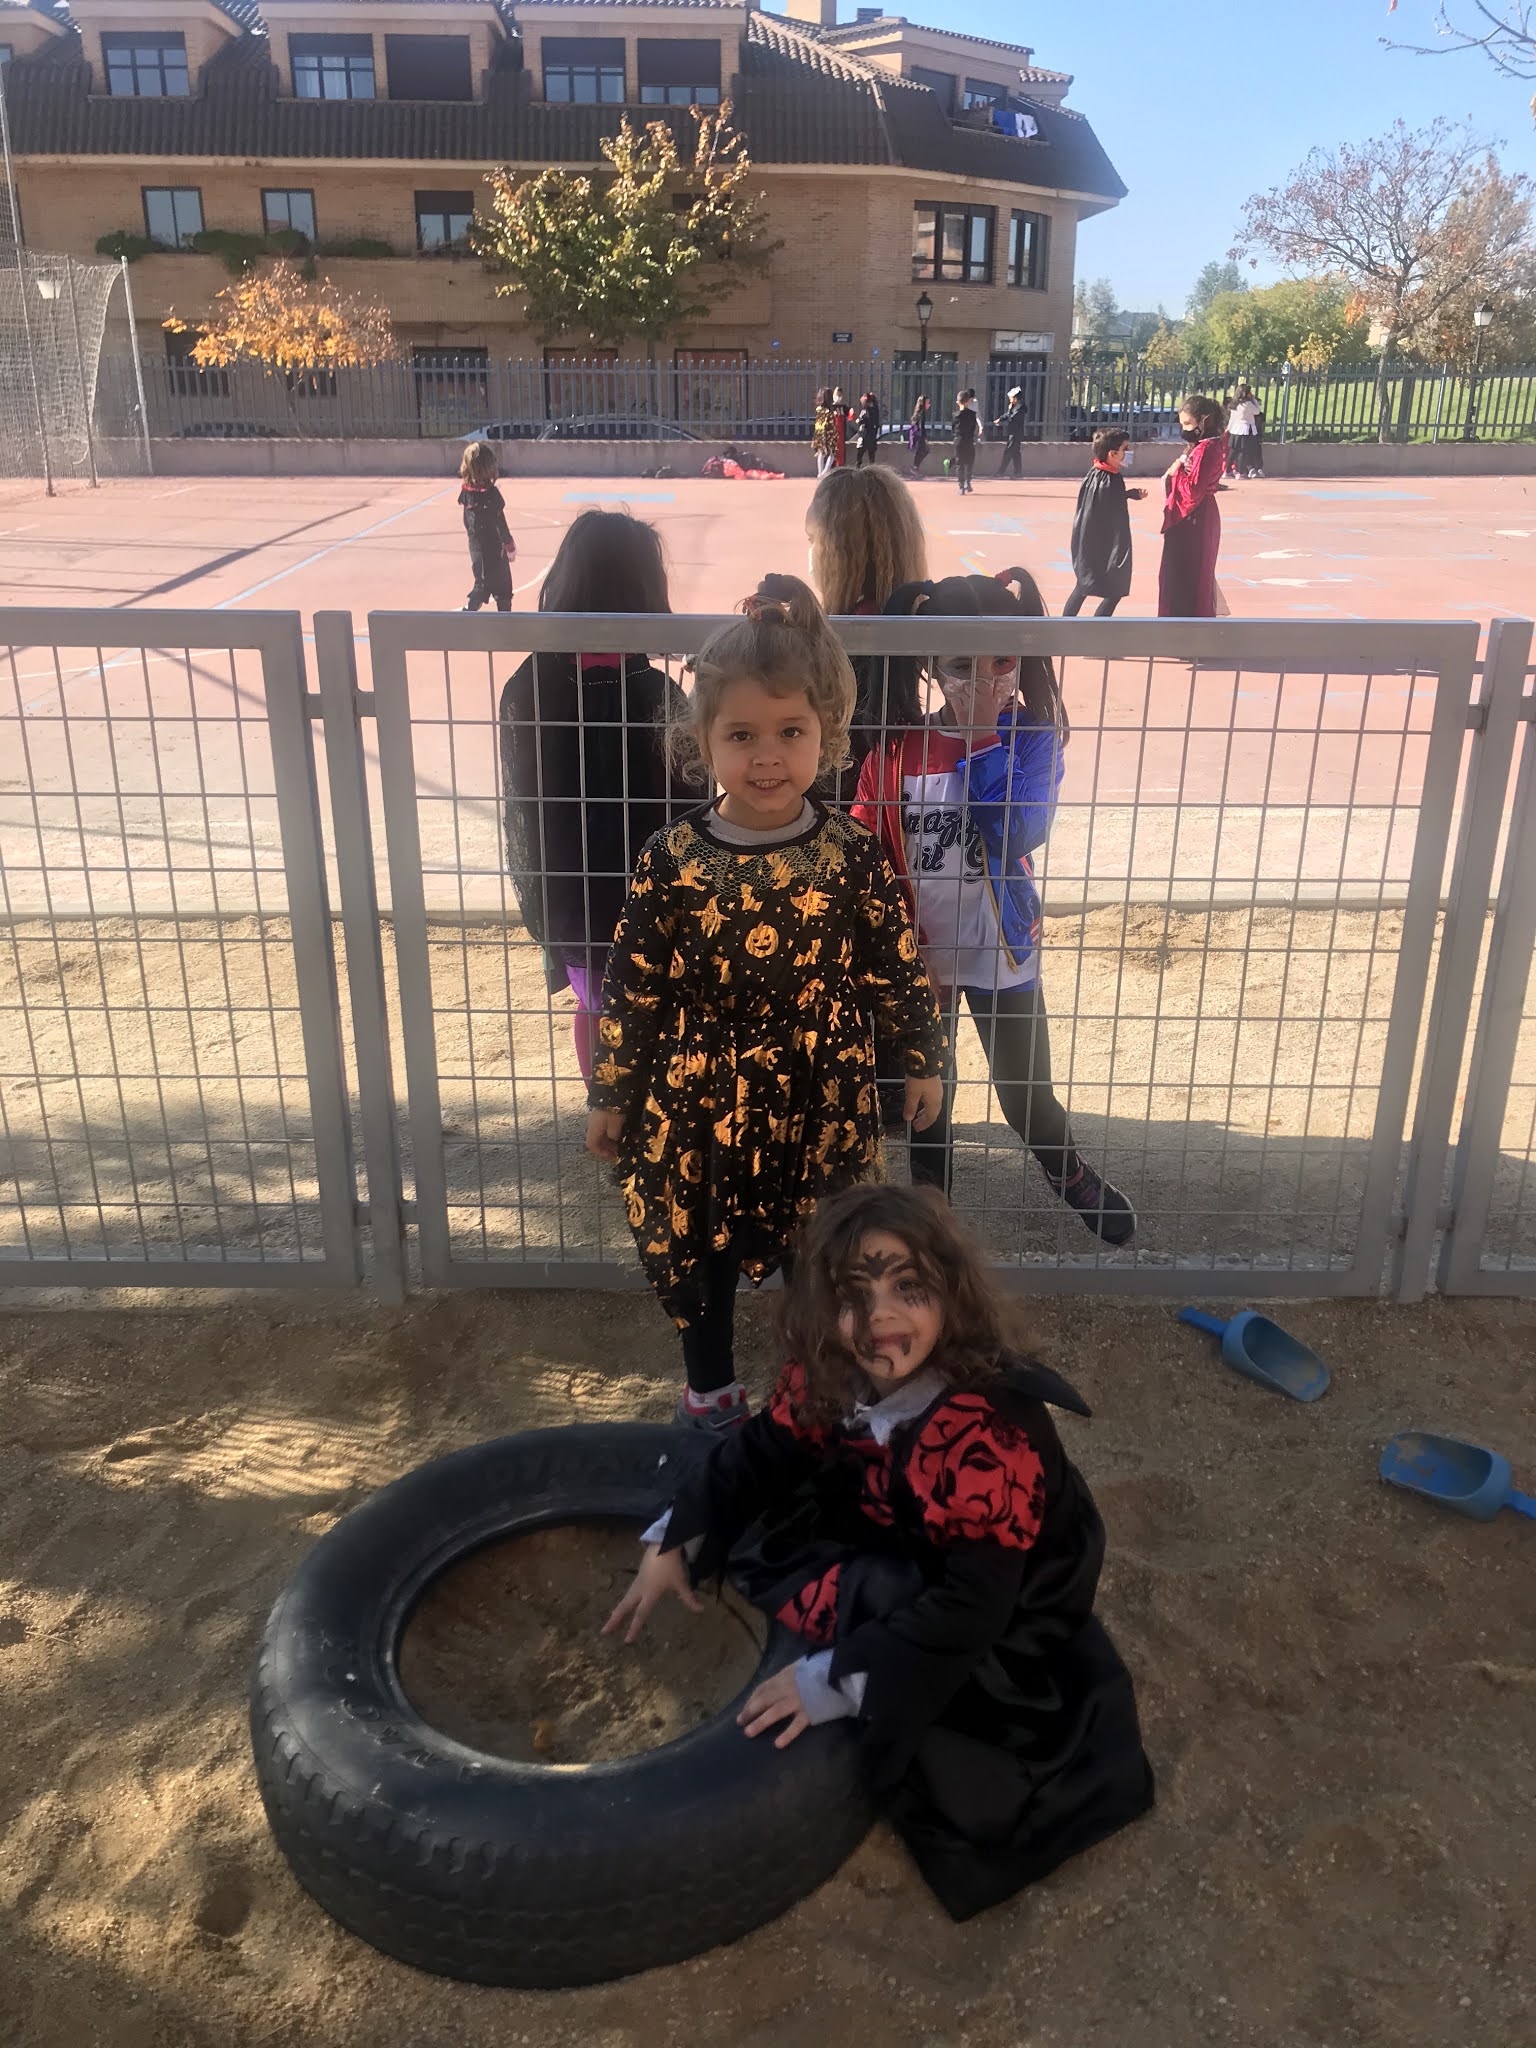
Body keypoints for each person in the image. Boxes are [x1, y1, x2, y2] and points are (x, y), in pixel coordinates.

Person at [604, 1180, 1155, 1923]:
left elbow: (974, 1606)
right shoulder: (838, 1369)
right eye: (852, 1295)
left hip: (1014, 1587)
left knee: (899, 1625)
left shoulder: (987, 1438)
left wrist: (831, 1679)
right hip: (916, 1516)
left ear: (951, 1295)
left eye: (908, 1289)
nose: (880, 1317)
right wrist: (676, 1536)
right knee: (785, 1503)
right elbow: (762, 1449)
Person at [585, 575, 946, 1430]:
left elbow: (894, 967)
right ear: (703, 739)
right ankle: (709, 1392)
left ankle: (821, 1389)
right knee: (699, 1246)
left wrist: (922, 1060)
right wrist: (612, 1092)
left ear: (827, 734)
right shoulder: (672, 858)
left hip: (821, 1096)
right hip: (700, 1100)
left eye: (790, 731)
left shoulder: (851, 853)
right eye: (741, 734)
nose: (768, 757)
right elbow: (633, 986)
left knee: (825, 1250)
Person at [854, 570, 1136, 1243]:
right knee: (928, 1094)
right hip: (920, 957)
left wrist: (982, 736)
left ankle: (1066, 1169)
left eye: (999, 663)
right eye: (961, 667)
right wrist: (900, 948)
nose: (982, 681)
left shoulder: (1032, 737)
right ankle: (931, 1220)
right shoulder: (895, 748)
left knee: (1024, 1092)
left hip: (1001, 949)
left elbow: (1017, 830)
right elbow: (870, 856)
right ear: (929, 664)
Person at [499, 512, 693, 1078]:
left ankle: (603, 1106)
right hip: (656, 893)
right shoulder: (657, 692)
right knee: (657, 1007)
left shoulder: (531, 684)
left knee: (595, 1005)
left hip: (572, 892)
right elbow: (692, 798)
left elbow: (522, 802)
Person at [804, 463, 929, 780]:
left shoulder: (844, 635)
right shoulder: (908, 618)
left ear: (838, 550)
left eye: (812, 540)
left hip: (843, 787)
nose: (811, 552)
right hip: (892, 782)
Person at [1063, 428, 1147, 617]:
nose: (1129, 452)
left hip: (1093, 541)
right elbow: (1104, 508)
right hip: (1102, 544)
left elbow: (1107, 501)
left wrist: (1129, 494)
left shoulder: (1099, 474)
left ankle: (1067, 623)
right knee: (1112, 589)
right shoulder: (1107, 479)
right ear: (1112, 454)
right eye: (1125, 448)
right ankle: (1095, 625)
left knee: (1084, 586)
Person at [1158, 394, 1228, 618]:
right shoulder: (1203, 445)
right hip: (1194, 514)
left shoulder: (1206, 448)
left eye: (1188, 424)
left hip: (1195, 517)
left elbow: (1193, 490)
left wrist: (1176, 471)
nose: (1185, 429)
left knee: (1189, 573)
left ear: (1204, 420)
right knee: (1183, 573)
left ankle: (1188, 627)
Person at [458, 440, 516, 612]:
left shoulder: (466, 493)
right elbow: (500, 522)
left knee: (481, 582)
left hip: (476, 547)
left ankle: (470, 609)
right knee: (503, 590)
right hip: (495, 549)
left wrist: (473, 538)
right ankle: (504, 620)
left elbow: (466, 521)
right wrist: (509, 544)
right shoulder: (492, 495)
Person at [1226, 380, 1263, 479]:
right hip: (1245, 429)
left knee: (1233, 451)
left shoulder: (1234, 404)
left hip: (1235, 429)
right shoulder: (1247, 404)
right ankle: (1240, 472)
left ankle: (1227, 470)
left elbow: (1232, 418)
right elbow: (1257, 411)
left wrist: (1228, 428)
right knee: (1243, 451)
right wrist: (1254, 399)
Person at [993, 385, 1027, 480]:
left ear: (1015, 398)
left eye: (1011, 398)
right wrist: (1000, 419)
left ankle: (1001, 472)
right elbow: (1008, 415)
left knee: (1008, 452)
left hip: (1016, 434)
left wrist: (1009, 409)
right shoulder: (1016, 407)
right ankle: (1018, 473)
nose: (1010, 400)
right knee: (1015, 453)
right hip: (1013, 433)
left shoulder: (1020, 408)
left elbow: (1012, 417)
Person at [952, 389, 980, 495]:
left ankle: (961, 486)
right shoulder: (972, 415)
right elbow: (973, 428)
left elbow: (953, 429)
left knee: (959, 464)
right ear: (968, 401)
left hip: (959, 440)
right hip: (969, 440)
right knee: (969, 462)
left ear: (958, 402)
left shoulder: (955, 415)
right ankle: (967, 482)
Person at [811, 388, 836, 481]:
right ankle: (824, 472)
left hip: (818, 433)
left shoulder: (819, 409)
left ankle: (820, 472)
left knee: (821, 452)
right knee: (832, 453)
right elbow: (831, 424)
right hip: (828, 433)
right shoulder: (829, 412)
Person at [854, 391, 881, 469]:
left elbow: (864, 420)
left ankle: (858, 467)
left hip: (865, 434)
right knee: (871, 455)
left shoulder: (867, 411)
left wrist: (859, 420)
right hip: (872, 435)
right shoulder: (875, 410)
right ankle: (871, 468)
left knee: (860, 453)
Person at [907, 394, 931, 478]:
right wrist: (924, 438)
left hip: (919, 435)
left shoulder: (920, 413)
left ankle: (915, 467)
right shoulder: (921, 414)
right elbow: (921, 427)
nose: (929, 405)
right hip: (919, 436)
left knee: (922, 451)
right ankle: (915, 467)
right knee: (923, 450)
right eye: (927, 403)